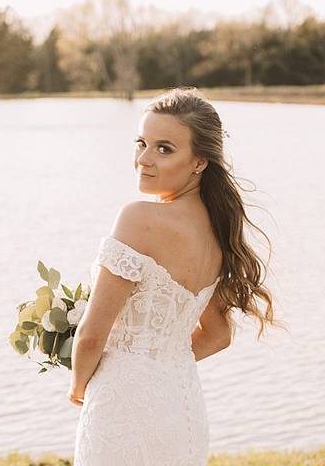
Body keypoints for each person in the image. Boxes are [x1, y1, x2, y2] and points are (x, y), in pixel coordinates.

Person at [70, 86, 281, 465]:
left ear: (199, 161)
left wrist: (79, 386)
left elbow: (90, 337)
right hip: (181, 406)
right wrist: (164, 360)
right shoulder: (220, 231)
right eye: (141, 143)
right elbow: (217, 335)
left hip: (122, 406)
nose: (144, 159)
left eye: (164, 148)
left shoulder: (139, 219)